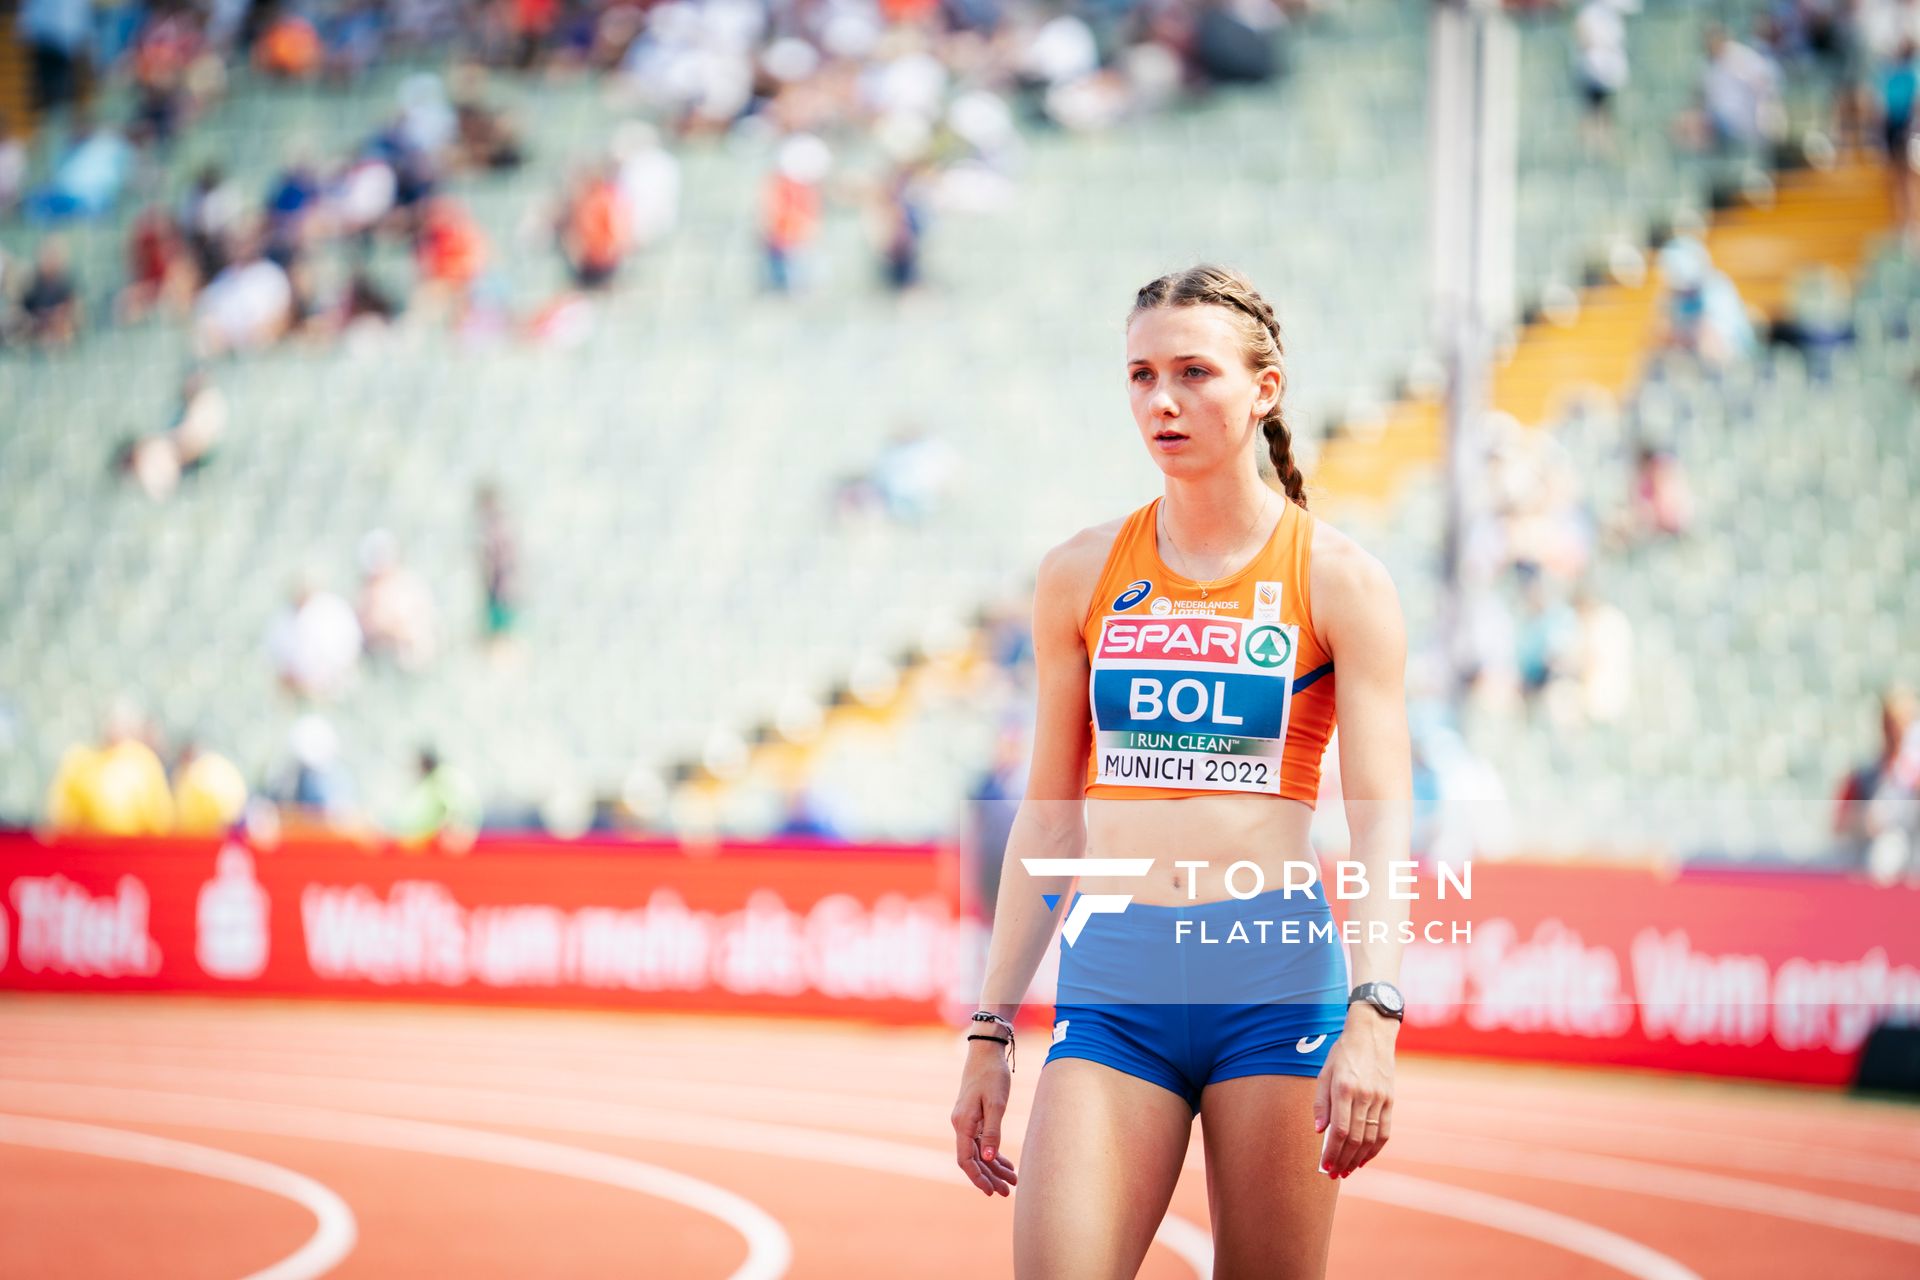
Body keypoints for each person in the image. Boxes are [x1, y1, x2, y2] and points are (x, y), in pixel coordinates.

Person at [949, 265, 1411, 1278]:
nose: (1161, 401)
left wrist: (1375, 1014)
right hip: (1118, 981)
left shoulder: (1338, 579)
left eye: (1194, 373)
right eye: (1141, 375)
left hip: (1276, 980)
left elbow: (1381, 823)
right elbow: (1051, 816)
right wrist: (990, 1024)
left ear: (1266, 388)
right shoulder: (1080, 572)